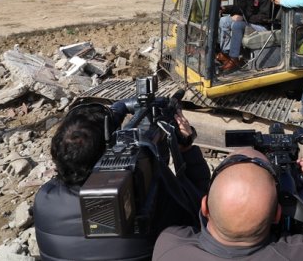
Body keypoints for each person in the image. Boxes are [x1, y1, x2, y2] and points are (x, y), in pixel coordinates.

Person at [34, 101, 210, 261]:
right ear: (111, 152)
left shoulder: (44, 198)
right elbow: (200, 208)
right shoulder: (143, 196)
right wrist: (186, 149)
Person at [152, 148, 303, 260]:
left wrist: (187, 151)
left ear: (204, 207)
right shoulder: (302, 252)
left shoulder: (169, 244)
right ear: (278, 215)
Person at [217, 0, 276, 72]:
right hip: (249, 22)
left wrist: (244, 18)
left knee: (238, 24)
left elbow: (264, 17)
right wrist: (226, 8)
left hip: (262, 26)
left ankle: (234, 59)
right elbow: (241, 6)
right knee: (223, 21)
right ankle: (226, 53)